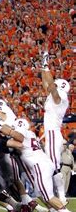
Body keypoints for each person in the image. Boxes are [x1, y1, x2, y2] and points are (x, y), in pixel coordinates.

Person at [13, 118, 74, 212]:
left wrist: (3, 130)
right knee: (41, 192)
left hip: (39, 166)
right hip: (45, 163)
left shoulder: (21, 136)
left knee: (47, 195)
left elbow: (16, 143)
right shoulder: (31, 134)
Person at [41, 56, 71, 204]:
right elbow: (46, 85)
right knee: (51, 165)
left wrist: (46, 67)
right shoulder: (55, 97)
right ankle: (58, 196)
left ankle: (61, 197)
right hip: (50, 133)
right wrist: (43, 67)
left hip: (53, 133)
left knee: (53, 165)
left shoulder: (61, 97)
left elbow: (51, 87)